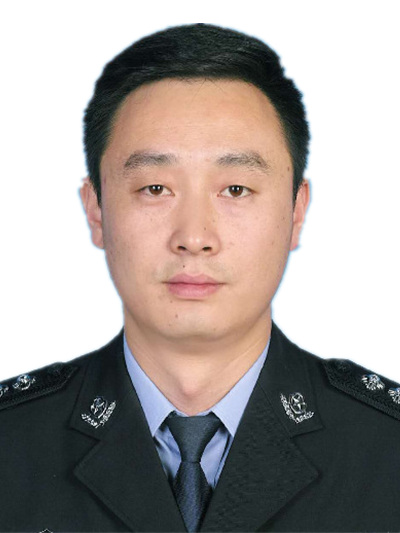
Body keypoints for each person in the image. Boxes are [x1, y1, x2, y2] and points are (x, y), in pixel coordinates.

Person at [0, 22, 399, 533]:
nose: (194, 237)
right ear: (96, 210)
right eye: (154, 188)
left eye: (235, 189)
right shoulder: (11, 442)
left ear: (296, 212)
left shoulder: (386, 447)